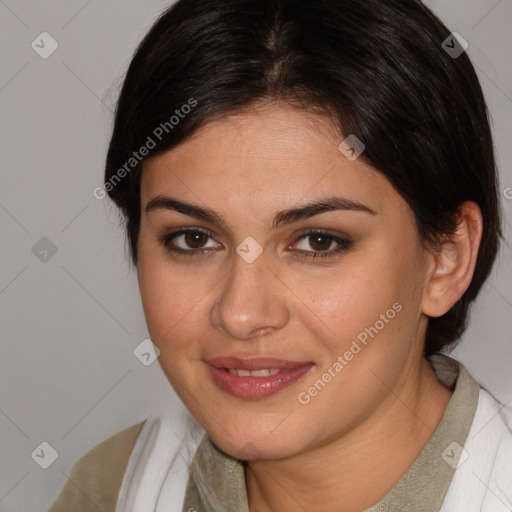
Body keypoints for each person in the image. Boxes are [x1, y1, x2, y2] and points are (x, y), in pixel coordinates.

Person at [47, 0, 512, 510]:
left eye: (318, 242)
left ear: (446, 258)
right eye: (194, 239)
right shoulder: (113, 489)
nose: (241, 314)